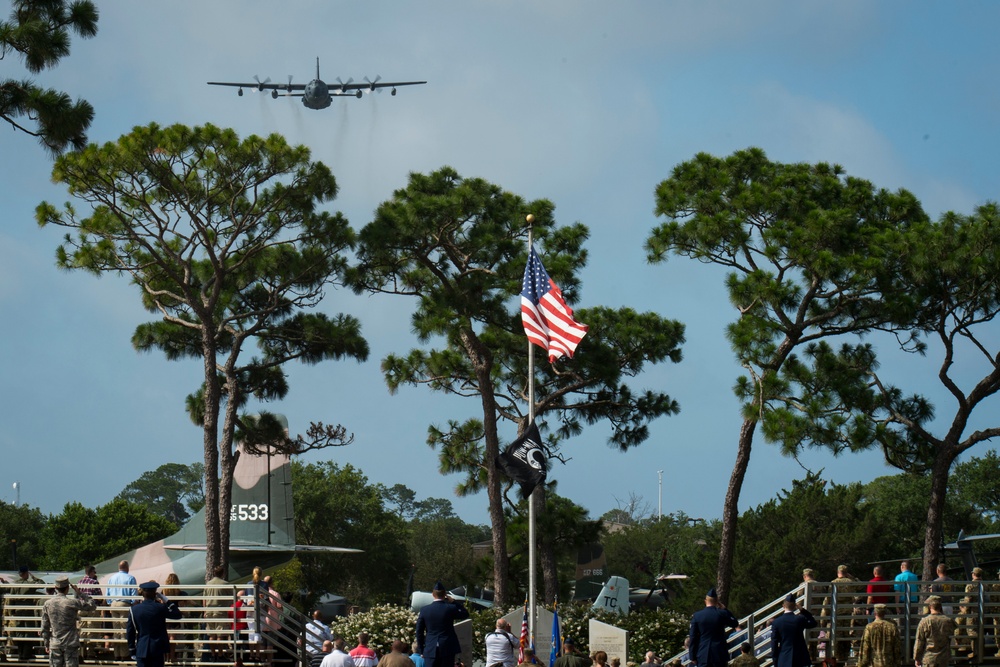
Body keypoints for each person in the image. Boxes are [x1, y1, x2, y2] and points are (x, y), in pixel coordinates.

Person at [41, 575, 97, 667]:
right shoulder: (72, 603)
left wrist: (46, 643)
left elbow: (44, 626)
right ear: (67, 588)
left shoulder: (48, 604)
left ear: (56, 588)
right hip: (70, 643)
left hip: (55, 643)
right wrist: (80, 593)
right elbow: (92, 605)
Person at [126, 581, 182, 667]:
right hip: (157, 648)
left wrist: (132, 649)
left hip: (141, 648)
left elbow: (130, 631)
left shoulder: (134, 609)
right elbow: (177, 614)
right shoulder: (160, 607)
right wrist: (166, 600)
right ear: (155, 593)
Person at [415, 582, 469, 667]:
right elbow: (465, 614)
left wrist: (421, 650)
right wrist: (453, 602)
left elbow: (419, 632)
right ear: (445, 594)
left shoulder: (424, 610)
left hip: (430, 648)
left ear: (433, 594)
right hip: (447, 647)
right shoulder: (450, 608)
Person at [688, 588, 740, 667]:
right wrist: (725, 609)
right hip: (719, 653)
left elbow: (693, 637)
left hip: (703, 653)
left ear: (705, 601)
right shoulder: (721, 613)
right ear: (716, 602)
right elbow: (735, 623)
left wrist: (692, 655)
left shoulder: (697, 616)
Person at [5, 564, 45, 661]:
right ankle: (26, 654)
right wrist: (33, 577)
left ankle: (20, 653)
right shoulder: (29, 585)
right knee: (28, 632)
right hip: (28, 610)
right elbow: (42, 583)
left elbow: (11, 599)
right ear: (26, 573)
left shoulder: (15, 584)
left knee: (19, 632)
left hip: (18, 610)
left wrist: (12, 612)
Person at [770, 594, 817, 667]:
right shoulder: (799, 619)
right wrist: (802, 610)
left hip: (784, 658)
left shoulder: (776, 622)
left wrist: (776, 661)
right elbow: (813, 623)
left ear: (783, 606)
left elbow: (774, 643)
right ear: (795, 606)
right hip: (800, 658)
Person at [107, 560, 138, 660]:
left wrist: (110, 603)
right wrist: (133, 603)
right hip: (125, 603)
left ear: (119, 567)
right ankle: (125, 655)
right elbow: (134, 594)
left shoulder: (111, 578)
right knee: (124, 629)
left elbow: (108, 594)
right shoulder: (131, 578)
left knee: (116, 630)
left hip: (113, 603)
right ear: (127, 568)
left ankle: (117, 654)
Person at [913, 596, 955, 667]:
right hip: (943, 658)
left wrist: (917, 658)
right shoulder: (948, 621)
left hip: (929, 659)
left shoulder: (924, 621)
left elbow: (919, 641)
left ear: (929, 607)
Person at [77, 565, 104, 660]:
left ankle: (81, 652)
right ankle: (90, 652)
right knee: (92, 629)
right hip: (92, 608)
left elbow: (76, 596)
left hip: (81, 607)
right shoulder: (94, 582)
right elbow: (99, 596)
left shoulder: (79, 582)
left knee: (81, 629)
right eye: (94, 572)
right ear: (91, 572)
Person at [203, 565, 230, 660]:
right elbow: (231, 598)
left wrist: (205, 611)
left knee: (211, 635)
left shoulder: (208, 584)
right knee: (220, 635)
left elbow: (204, 599)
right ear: (223, 573)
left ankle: (213, 654)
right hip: (220, 612)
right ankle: (220, 655)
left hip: (209, 612)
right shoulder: (225, 584)